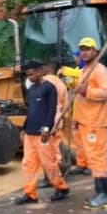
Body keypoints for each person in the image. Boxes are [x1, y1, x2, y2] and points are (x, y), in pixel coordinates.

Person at [14, 60, 70, 205]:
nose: (30, 78)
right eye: (28, 75)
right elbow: (31, 111)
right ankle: (30, 194)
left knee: (49, 163)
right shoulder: (31, 90)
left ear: (40, 71)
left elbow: (51, 111)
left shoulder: (49, 88)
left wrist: (46, 129)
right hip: (30, 133)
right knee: (28, 164)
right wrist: (24, 129)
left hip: (43, 134)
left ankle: (61, 187)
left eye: (32, 74)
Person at [73, 37, 107, 210]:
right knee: (92, 158)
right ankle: (100, 192)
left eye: (88, 49)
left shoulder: (99, 70)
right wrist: (76, 118)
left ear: (95, 52)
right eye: (82, 49)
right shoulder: (85, 70)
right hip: (86, 121)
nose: (84, 52)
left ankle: (104, 194)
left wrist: (87, 90)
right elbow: (78, 99)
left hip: (96, 122)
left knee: (98, 158)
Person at [58, 50, 91, 177]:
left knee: (87, 142)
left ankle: (90, 165)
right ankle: (82, 164)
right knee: (78, 142)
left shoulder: (87, 72)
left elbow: (78, 76)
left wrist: (65, 70)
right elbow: (71, 82)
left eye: (76, 56)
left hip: (87, 115)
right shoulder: (78, 71)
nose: (76, 58)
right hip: (77, 113)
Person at [37, 60, 69, 188]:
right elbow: (66, 106)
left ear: (48, 68)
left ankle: (50, 178)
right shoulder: (61, 84)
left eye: (43, 67)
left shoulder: (45, 82)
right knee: (55, 148)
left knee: (46, 150)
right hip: (58, 119)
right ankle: (58, 173)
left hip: (47, 119)